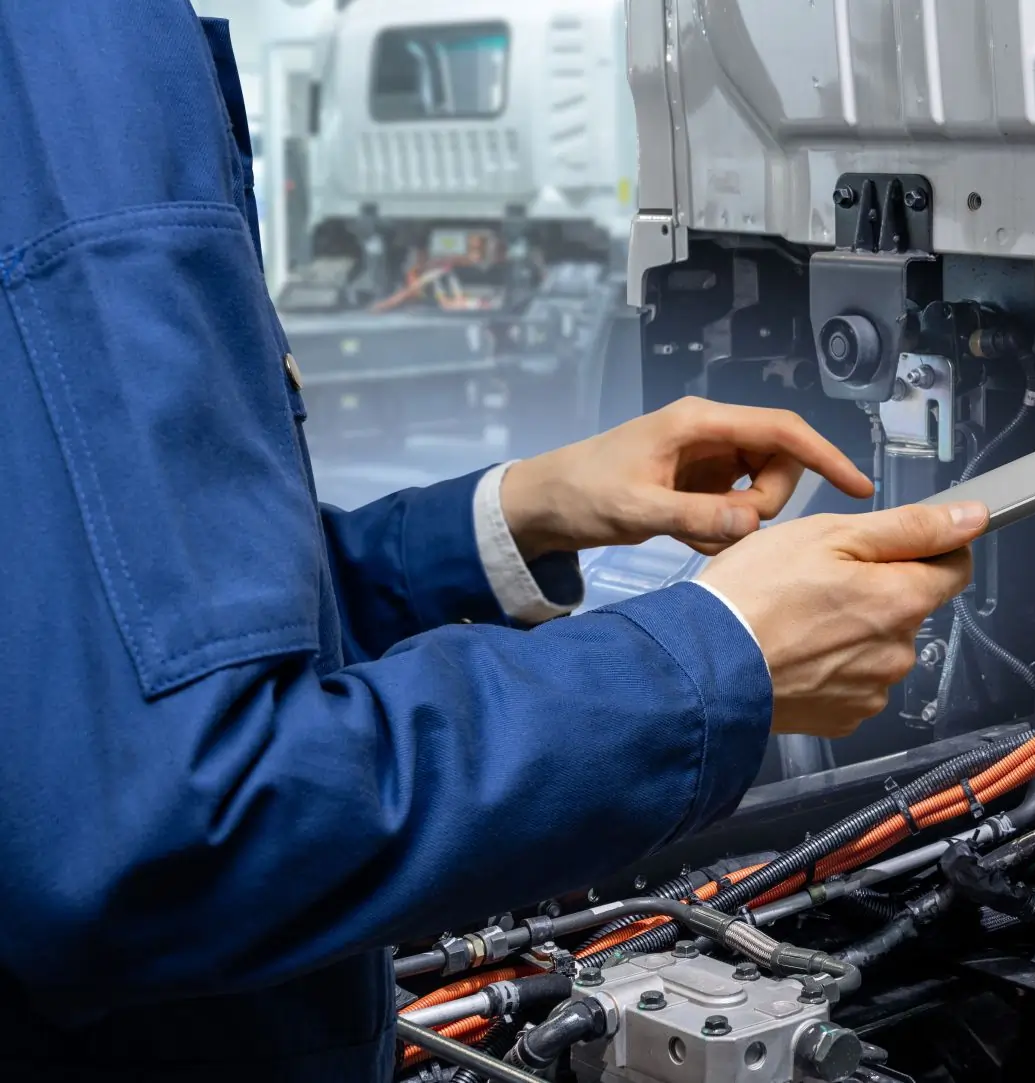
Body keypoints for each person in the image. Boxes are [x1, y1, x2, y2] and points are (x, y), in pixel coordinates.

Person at [0, 4, 985, 1079]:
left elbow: (83, 641)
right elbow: (169, 833)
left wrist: (508, 520)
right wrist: (712, 663)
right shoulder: (69, 58)